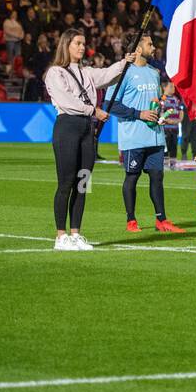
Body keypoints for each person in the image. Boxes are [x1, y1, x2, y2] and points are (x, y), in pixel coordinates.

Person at [42, 29, 136, 250]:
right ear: (66, 45)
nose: (82, 47)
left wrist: (125, 62)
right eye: (77, 43)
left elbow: (106, 75)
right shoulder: (56, 72)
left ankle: (76, 233)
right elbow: (67, 101)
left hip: (87, 129)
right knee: (65, 182)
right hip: (68, 127)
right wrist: (93, 110)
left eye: (83, 43)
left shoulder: (86, 71)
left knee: (83, 183)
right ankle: (60, 235)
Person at [105, 34, 183, 234]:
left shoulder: (154, 72)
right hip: (133, 137)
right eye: (149, 44)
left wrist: (159, 116)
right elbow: (109, 104)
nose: (154, 47)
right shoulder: (123, 73)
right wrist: (138, 114)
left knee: (157, 177)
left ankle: (162, 220)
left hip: (155, 135)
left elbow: (154, 102)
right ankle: (131, 220)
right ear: (138, 49)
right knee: (132, 177)